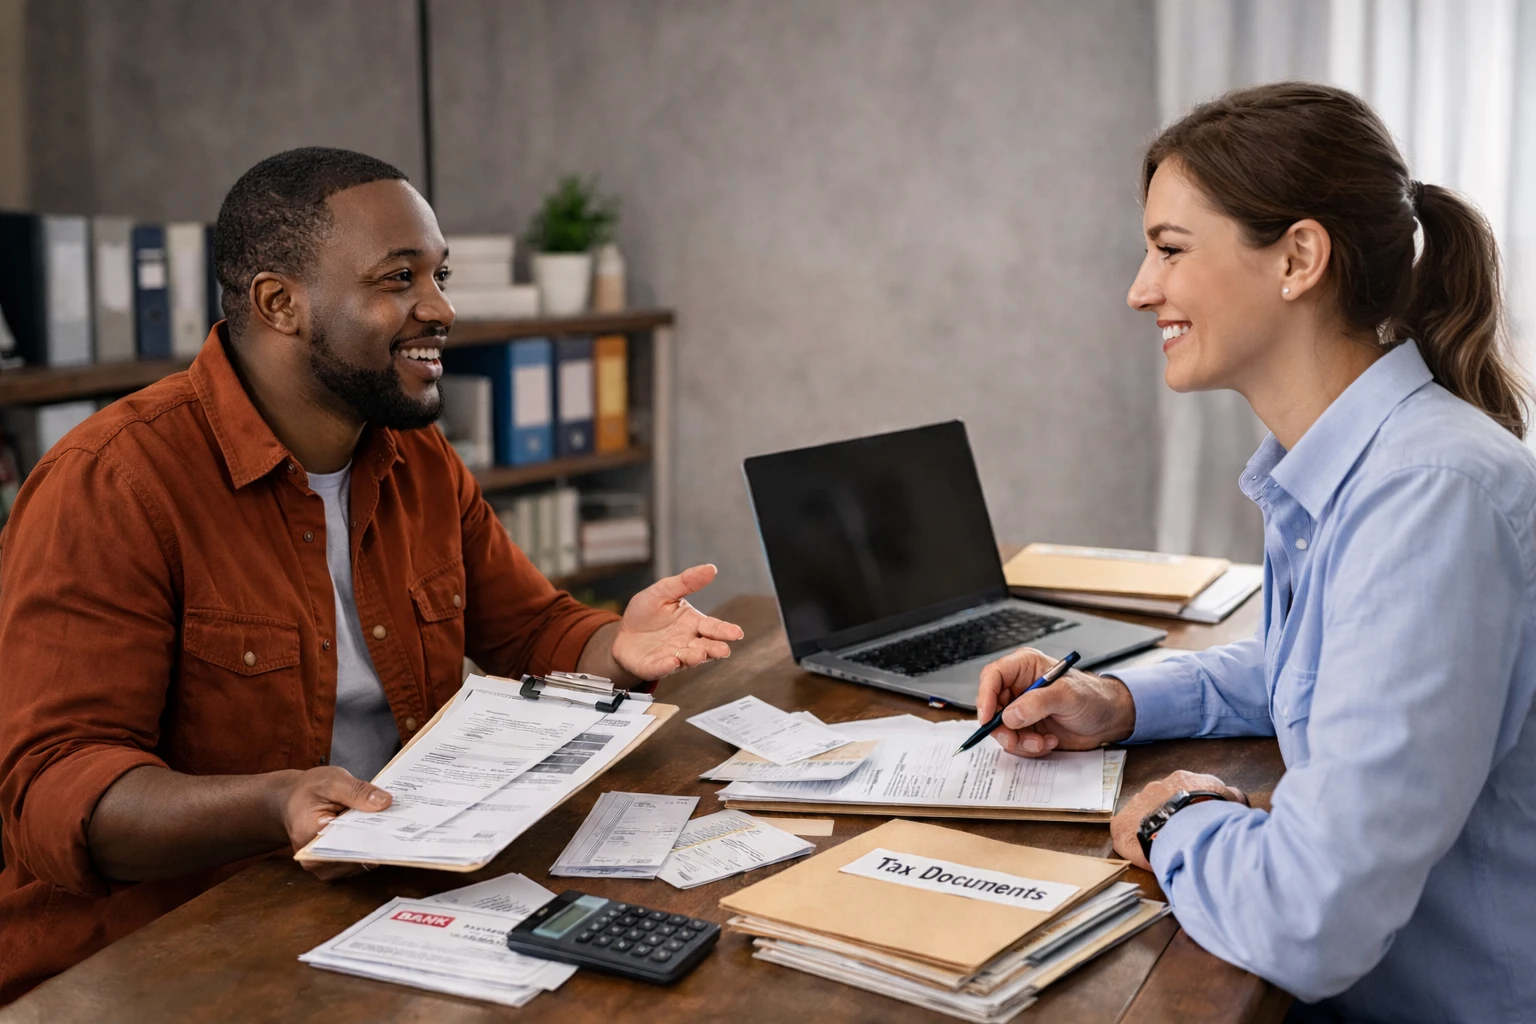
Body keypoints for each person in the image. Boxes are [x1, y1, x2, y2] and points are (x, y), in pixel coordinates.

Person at [0, 147, 743, 1002]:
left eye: (439, 275)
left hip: (378, 902)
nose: (440, 309)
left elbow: (530, 632)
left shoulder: (416, 458)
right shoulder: (115, 482)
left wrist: (618, 647)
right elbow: (55, 793)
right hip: (160, 949)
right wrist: (275, 803)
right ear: (279, 303)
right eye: (399, 279)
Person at [977, 83, 1536, 1023]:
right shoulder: (1352, 466)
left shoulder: (1427, 494)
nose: (1139, 288)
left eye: (1169, 250)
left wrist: (1172, 820)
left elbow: (1312, 920)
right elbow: (1313, 666)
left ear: (1299, 259)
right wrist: (1116, 702)